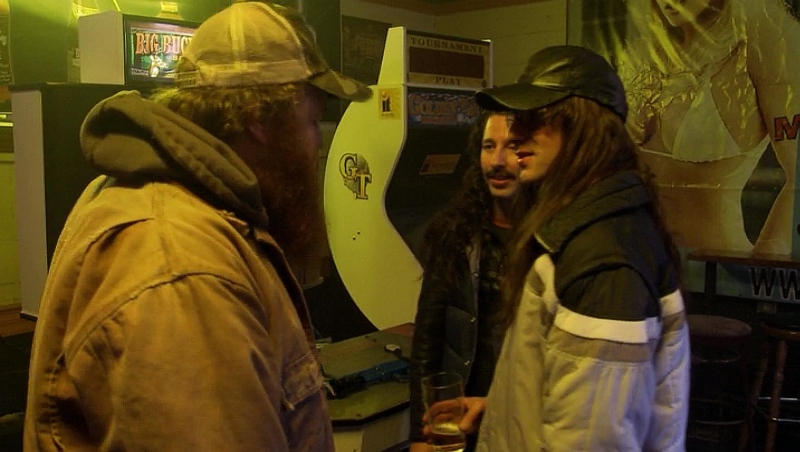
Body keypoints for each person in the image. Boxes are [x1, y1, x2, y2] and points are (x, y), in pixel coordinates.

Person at [23, 2, 371, 451]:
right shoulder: (182, 264)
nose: (316, 141)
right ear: (258, 118)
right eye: (310, 120)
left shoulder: (182, 210)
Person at [463, 45, 691, 451]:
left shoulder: (603, 261)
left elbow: (594, 439)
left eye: (536, 118)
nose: (515, 136)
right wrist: (502, 407)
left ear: (586, 126)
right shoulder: (585, 230)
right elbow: (580, 396)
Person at [608, 0, 800, 254]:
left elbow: (798, 177)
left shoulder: (763, 33)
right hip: (635, 263)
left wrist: (763, 269)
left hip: (715, 268)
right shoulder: (648, 51)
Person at [409, 110, 521, 452]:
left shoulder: (550, 237)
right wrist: (420, 434)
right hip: (459, 424)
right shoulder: (456, 232)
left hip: (517, 418)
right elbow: (428, 337)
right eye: (489, 146)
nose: (497, 161)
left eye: (511, 146)